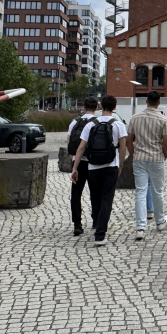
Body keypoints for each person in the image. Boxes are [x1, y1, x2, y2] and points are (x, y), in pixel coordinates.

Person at [71, 95, 127, 247]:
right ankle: (100, 233)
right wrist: (120, 165)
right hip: (110, 166)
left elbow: (81, 147)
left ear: (101, 106)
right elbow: (123, 148)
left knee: (95, 196)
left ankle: (96, 222)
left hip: (93, 167)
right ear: (114, 108)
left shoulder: (91, 124)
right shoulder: (118, 124)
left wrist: (75, 168)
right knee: (106, 198)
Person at [127, 90, 167, 240]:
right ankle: (159, 221)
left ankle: (140, 227)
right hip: (156, 158)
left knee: (140, 191)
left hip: (139, 158)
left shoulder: (135, 118)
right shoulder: (163, 120)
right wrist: (163, 155)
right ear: (159, 102)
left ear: (146, 101)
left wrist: (134, 154)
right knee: (157, 191)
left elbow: (129, 140)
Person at [66, 96, 98, 236]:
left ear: (83, 108)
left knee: (76, 193)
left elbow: (69, 144)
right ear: (96, 108)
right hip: (93, 162)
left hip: (78, 163)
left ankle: (77, 225)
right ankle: (96, 221)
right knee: (95, 193)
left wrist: (74, 163)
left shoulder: (75, 122)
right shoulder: (96, 122)